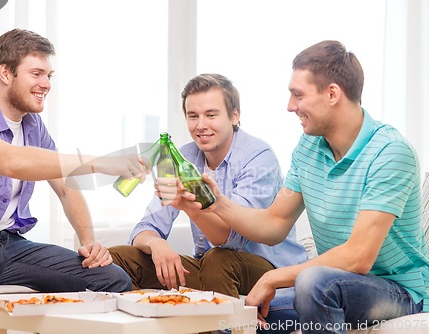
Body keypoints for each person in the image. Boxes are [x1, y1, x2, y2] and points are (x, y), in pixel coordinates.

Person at [170, 41, 429, 333]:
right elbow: (274, 223)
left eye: (298, 95)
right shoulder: (310, 146)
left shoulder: (390, 153)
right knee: (231, 316)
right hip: (335, 283)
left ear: (332, 94)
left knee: (313, 281)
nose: (290, 106)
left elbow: (359, 257)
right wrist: (217, 203)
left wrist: (273, 278)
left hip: (398, 290)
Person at [0, 29, 148, 334]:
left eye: (49, 75)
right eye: (36, 73)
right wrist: (100, 163)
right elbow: (11, 161)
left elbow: (65, 187)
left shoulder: (33, 126)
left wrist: (89, 242)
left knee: (111, 279)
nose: (46, 84)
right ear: (5, 73)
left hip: (9, 245)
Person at [110, 73, 307, 329]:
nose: (201, 125)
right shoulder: (183, 156)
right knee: (121, 258)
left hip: (267, 270)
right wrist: (156, 242)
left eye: (211, 115)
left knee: (218, 259)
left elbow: (229, 238)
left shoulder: (258, 156)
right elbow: (145, 227)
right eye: (193, 116)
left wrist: (188, 207)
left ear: (234, 116)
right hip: (210, 269)